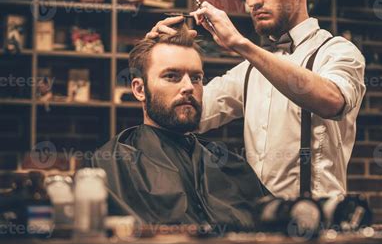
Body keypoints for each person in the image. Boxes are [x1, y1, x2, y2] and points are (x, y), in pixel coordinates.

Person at [146, 0, 366, 199]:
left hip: (320, 228)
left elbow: (332, 101)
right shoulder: (249, 71)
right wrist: (155, 58)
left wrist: (241, 44)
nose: (252, 1)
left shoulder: (338, 51)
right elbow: (187, 114)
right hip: (260, 224)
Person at [91, 22, 270, 228]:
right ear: (140, 89)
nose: (188, 87)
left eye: (196, 78)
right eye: (171, 76)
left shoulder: (230, 165)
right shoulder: (114, 163)